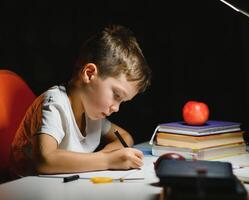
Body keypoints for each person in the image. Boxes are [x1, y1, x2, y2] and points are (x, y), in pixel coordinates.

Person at [10, 24, 151, 177]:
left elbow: (125, 136)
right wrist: (107, 160)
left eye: (122, 101)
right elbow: (45, 160)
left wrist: (106, 156)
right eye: (116, 95)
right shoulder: (54, 104)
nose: (116, 108)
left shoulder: (93, 113)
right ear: (89, 74)